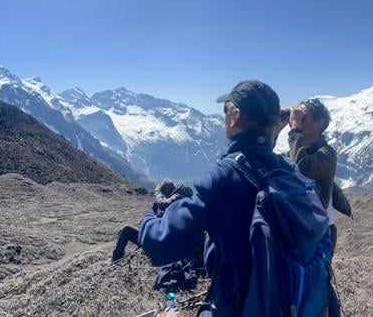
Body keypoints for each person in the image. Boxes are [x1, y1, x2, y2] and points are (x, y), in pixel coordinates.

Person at [136, 80, 326, 316]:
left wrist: (151, 216)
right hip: (289, 305)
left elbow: (162, 244)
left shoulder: (224, 175)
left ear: (235, 116)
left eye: (226, 109)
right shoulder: (288, 170)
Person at [285, 99, 351, 317]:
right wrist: (275, 126)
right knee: (297, 283)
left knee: (317, 283)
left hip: (320, 234)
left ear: (320, 122)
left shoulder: (327, 153)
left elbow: (302, 168)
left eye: (305, 116)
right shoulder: (296, 150)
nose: (299, 119)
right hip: (299, 229)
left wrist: (294, 130)